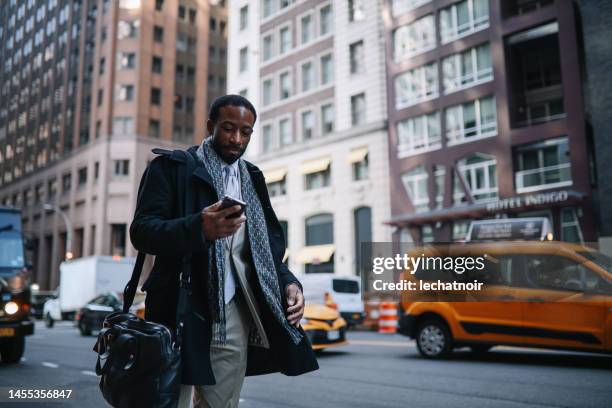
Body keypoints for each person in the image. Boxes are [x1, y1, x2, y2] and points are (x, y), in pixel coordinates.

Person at [130, 95, 319, 407]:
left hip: (234, 316)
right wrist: (199, 228)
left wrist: (289, 282)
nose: (236, 139)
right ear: (210, 126)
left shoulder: (252, 179)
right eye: (228, 128)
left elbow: (263, 252)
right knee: (175, 401)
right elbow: (142, 232)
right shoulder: (172, 169)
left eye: (245, 132)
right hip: (181, 312)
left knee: (222, 403)